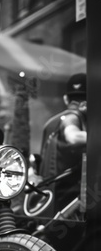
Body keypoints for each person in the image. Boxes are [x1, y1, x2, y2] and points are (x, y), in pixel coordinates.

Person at [40, 72, 87, 213]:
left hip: (46, 197)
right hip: (68, 200)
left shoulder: (50, 123)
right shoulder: (73, 117)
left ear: (66, 99)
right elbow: (73, 137)